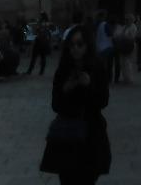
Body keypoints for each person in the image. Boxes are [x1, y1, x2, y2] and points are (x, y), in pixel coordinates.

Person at [39, 25, 112, 185]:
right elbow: (56, 105)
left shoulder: (97, 68)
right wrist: (66, 89)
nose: (75, 49)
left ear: (88, 45)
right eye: (71, 44)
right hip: (67, 136)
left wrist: (89, 85)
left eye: (80, 44)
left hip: (90, 136)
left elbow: (102, 101)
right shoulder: (63, 70)